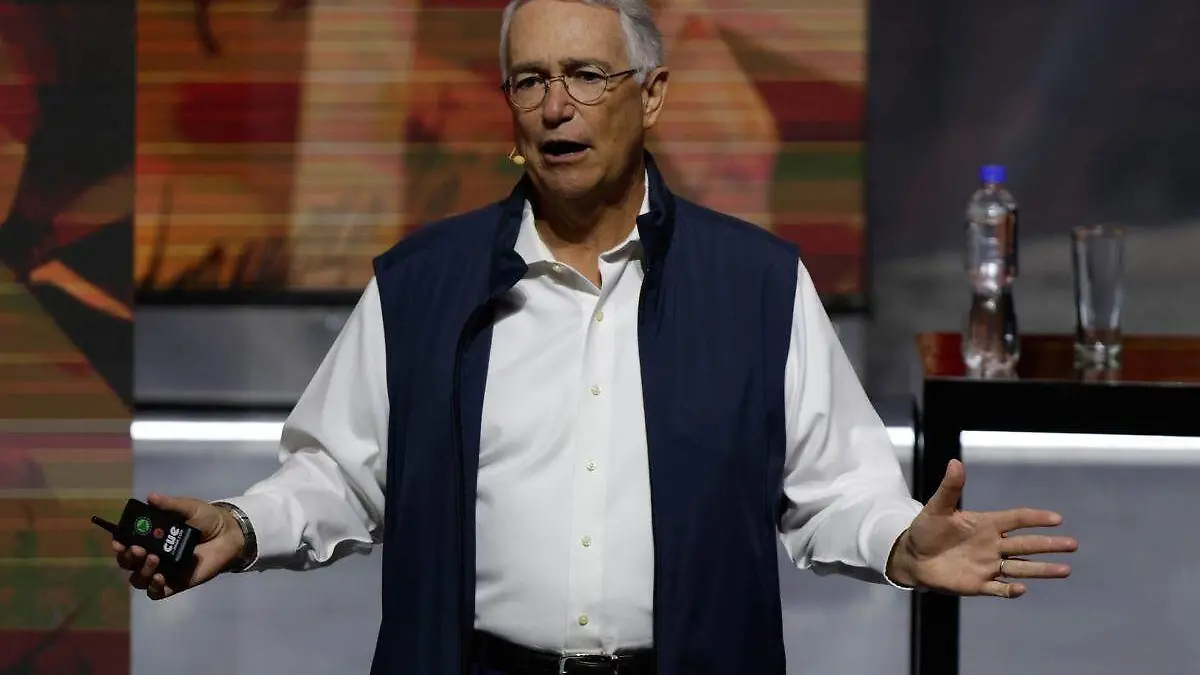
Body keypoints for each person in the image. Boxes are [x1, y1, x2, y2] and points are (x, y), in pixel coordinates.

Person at [113, 1, 1078, 673]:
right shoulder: (422, 284)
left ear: (651, 96)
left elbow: (833, 488)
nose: (555, 106)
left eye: (584, 75)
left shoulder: (755, 283)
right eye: (530, 80)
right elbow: (339, 475)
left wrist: (902, 541)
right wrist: (242, 526)